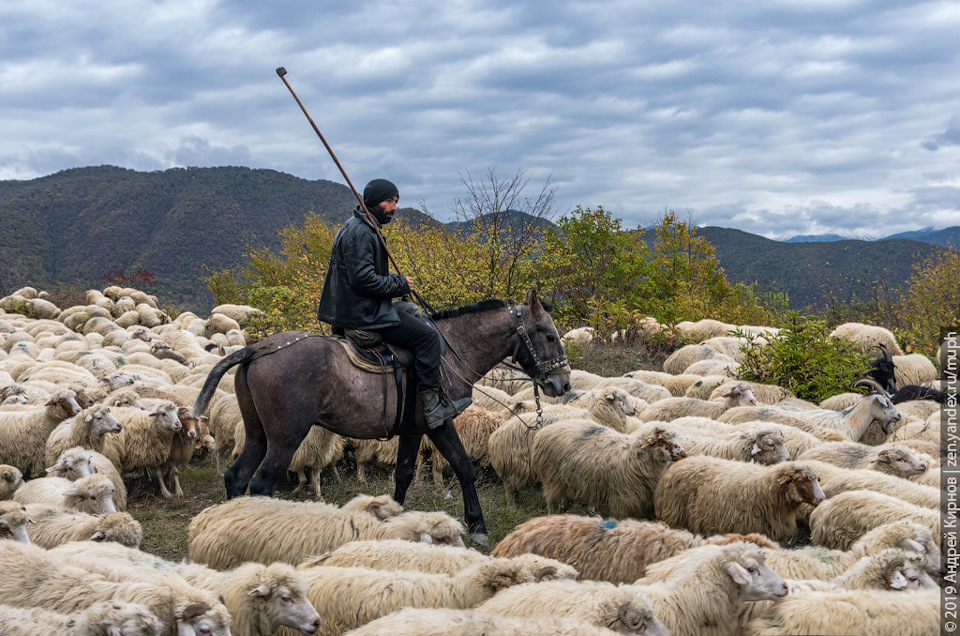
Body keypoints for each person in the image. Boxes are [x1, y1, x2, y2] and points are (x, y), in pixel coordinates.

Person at [317, 178, 472, 429]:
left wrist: (395, 280)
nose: (394, 207)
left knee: (412, 310)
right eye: (389, 201)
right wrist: (398, 285)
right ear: (373, 202)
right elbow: (362, 281)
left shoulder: (361, 227)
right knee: (428, 338)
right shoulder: (361, 232)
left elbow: (363, 273)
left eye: (396, 201)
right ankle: (432, 405)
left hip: (360, 308)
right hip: (363, 315)